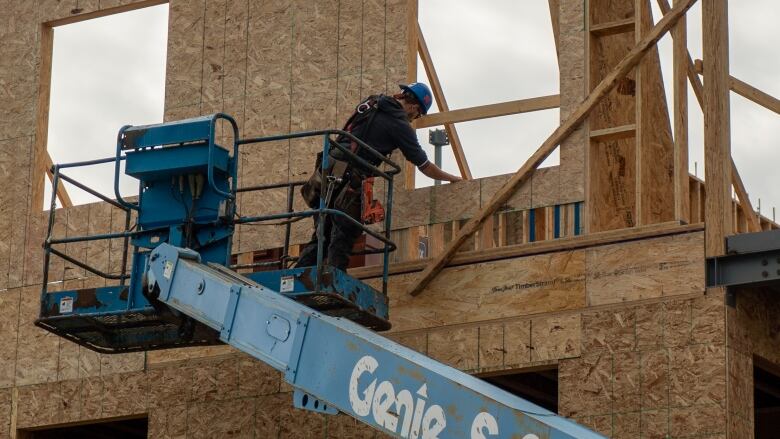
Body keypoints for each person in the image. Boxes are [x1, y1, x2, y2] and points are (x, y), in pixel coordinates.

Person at [296, 82, 462, 270]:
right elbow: (425, 166)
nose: (413, 119)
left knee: (322, 233)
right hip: (350, 177)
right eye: (417, 116)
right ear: (415, 107)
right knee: (345, 230)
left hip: (326, 170)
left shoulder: (373, 101)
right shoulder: (400, 124)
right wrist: (453, 178)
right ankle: (333, 280)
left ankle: (293, 278)